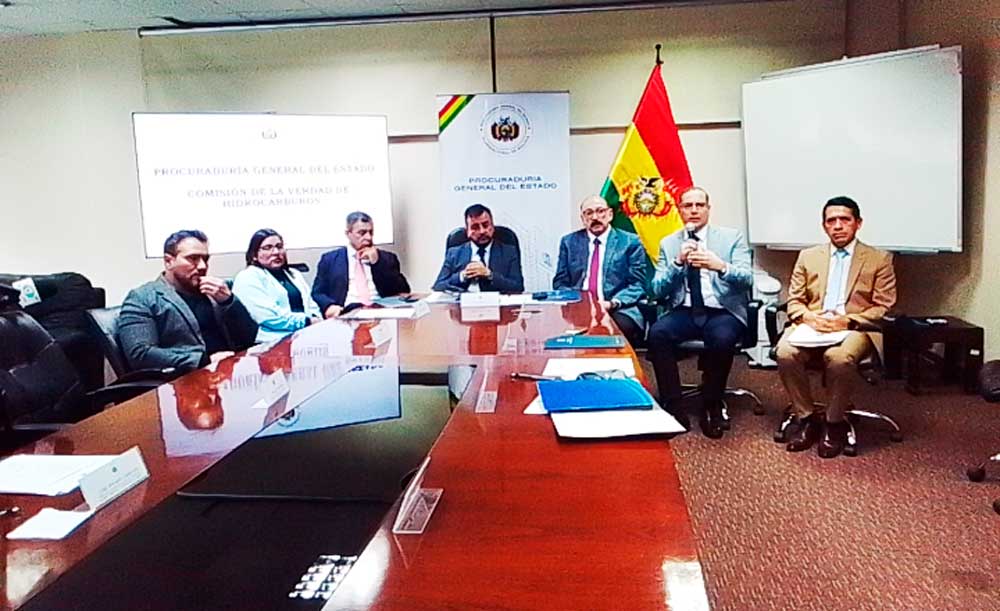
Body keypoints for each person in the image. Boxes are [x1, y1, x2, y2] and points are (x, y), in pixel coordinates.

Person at [775, 196, 897, 458]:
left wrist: (848, 320)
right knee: (784, 352)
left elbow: (883, 306)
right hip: (813, 323)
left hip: (854, 327)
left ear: (858, 223)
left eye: (845, 220)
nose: (838, 226)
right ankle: (806, 418)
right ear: (824, 226)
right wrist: (808, 317)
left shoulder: (879, 259)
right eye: (831, 221)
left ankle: (833, 423)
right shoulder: (808, 256)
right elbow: (794, 300)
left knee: (838, 358)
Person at [647, 187, 752, 439]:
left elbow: (747, 279)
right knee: (657, 334)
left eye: (699, 205)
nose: (694, 211)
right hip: (684, 310)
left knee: (722, 339)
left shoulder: (731, 238)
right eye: (688, 206)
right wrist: (677, 263)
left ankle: (711, 404)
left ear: (708, 209)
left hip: (722, 309)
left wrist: (721, 266)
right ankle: (673, 406)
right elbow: (656, 289)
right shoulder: (669, 243)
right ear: (680, 210)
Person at [118, 230, 258, 375]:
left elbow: (250, 337)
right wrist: (203, 360)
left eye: (205, 259)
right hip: (187, 379)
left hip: (232, 372)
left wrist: (229, 302)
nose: (203, 266)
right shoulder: (143, 298)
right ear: (168, 261)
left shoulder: (214, 292)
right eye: (193, 258)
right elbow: (140, 354)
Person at [553, 195, 648, 346]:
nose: (595, 217)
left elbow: (637, 284)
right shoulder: (569, 242)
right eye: (589, 213)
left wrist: (612, 303)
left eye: (600, 211)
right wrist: (578, 303)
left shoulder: (630, 242)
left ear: (610, 214)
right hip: (579, 307)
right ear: (583, 218)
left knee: (616, 330)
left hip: (618, 308)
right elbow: (560, 282)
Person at [311, 211, 411, 318]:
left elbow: (403, 290)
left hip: (381, 312)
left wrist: (377, 263)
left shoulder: (387, 258)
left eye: (371, 232)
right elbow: (318, 293)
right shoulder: (329, 260)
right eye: (362, 233)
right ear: (348, 234)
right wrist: (329, 306)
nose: (368, 237)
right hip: (346, 313)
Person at [232, 228, 322, 343]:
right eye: (268, 247)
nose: (276, 252)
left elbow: (311, 305)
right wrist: (307, 321)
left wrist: (316, 319)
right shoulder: (248, 277)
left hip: (305, 335)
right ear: (254, 255)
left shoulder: (294, 274)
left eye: (279, 247)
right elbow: (268, 317)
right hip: (272, 341)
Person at [432, 203, 524, 293]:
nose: (482, 231)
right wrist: (462, 276)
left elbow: (518, 287)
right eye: (475, 227)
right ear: (467, 231)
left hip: (496, 302)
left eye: (485, 225)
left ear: (492, 226)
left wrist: (490, 275)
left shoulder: (509, 252)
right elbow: (438, 286)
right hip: (462, 302)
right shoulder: (454, 254)